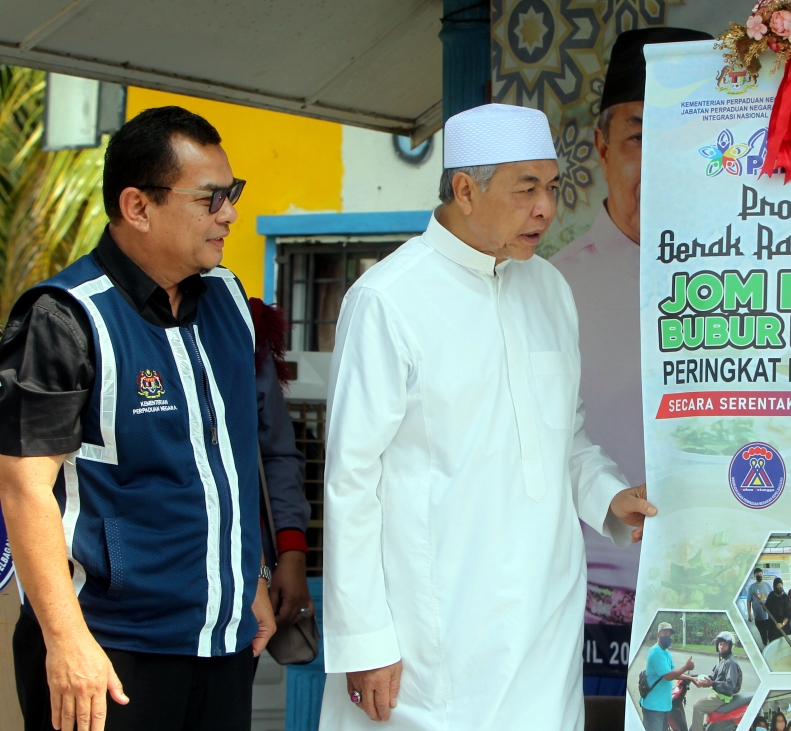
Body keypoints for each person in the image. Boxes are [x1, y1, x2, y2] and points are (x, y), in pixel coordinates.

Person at [317, 103, 654, 730]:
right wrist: (365, 640)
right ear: (465, 190)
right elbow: (351, 481)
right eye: (526, 189)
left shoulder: (550, 289)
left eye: (552, 187)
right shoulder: (388, 300)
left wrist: (609, 496)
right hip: (434, 635)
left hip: (543, 629)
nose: (546, 209)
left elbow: (564, 435)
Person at [0, 106, 275, 731]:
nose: (229, 213)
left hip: (223, 646)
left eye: (232, 194)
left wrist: (245, 577)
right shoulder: (64, 318)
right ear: (138, 207)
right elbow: (22, 486)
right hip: (109, 654)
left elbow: (228, 461)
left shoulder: (228, 299)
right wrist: (66, 642)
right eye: (211, 198)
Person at [548, 28, 712, 670]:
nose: (661, 163)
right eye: (642, 138)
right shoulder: (555, 285)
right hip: (589, 604)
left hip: (720, 591)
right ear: (603, 147)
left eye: (683, 138)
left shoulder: (756, 283)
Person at [249, 298, 312, 627]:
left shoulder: (241, 322)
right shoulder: (90, 312)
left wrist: (291, 552)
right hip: (135, 586)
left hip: (246, 580)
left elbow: (274, 452)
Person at [640, 622, 694, 731]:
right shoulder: (656, 652)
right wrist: (686, 667)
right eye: (665, 633)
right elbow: (668, 676)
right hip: (653, 707)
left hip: (665, 705)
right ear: (658, 634)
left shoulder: (666, 652)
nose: (668, 637)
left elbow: (674, 673)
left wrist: (691, 678)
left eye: (669, 635)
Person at [684, 631, 742, 731]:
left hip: (721, 697)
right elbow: (713, 676)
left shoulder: (731, 662)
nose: (721, 647)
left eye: (724, 644)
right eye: (720, 644)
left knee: (698, 707)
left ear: (730, 646)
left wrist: (712, 683)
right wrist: (700, 679)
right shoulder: (722, 659)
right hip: (717, 694)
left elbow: (729, 686)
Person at [764, 578, 791, 644]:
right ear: (774, 587)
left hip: (784, 626)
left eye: (780, 587)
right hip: (772, 625)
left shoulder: (786, 598)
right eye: (777, 588)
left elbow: (788, 614)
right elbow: (766, 608)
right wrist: (762, 604)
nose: (779, 589)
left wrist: (782, 624)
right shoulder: (771, 595)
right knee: (773, 642)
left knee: (784, 643)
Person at [747, 568, 771, 645]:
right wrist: (750, 615)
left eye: (760, 575)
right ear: (754, 576)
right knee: (763, 634)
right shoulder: (751, 587)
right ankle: (765, 645)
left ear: (762, 575)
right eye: (757, 575)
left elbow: (772, 598)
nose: (759, 576)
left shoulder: (768, 586)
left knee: (770, 634)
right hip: (758, 616)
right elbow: (748, 601)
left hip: (768, 615)